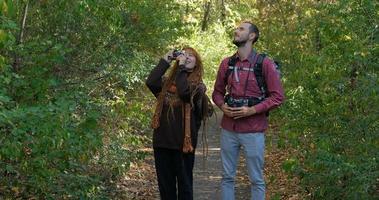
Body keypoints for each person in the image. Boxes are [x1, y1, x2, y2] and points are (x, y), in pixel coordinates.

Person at [212, 21, 285, 200]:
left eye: (241, 29)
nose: (236, 31)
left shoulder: (264, 63)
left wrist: (252, 110)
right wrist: (222, 106)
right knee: (227, 177)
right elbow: (217, 92)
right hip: (229, 129)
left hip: (253, 130)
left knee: (256, 179)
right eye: (237, 28)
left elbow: (277, 97)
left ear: (252, 36)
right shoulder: (227, 63)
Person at [146, 47, 211, 200]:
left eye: (191, 56)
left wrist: (181, 68)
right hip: (162, 142)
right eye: (184, 54)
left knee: (185, 188)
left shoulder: (198, 87)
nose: (187, 57)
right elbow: (151, 82)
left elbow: (184, 92)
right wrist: (165, 60)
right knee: (166, 188)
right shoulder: (166, 84)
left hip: (184, 145)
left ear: (197, 63)